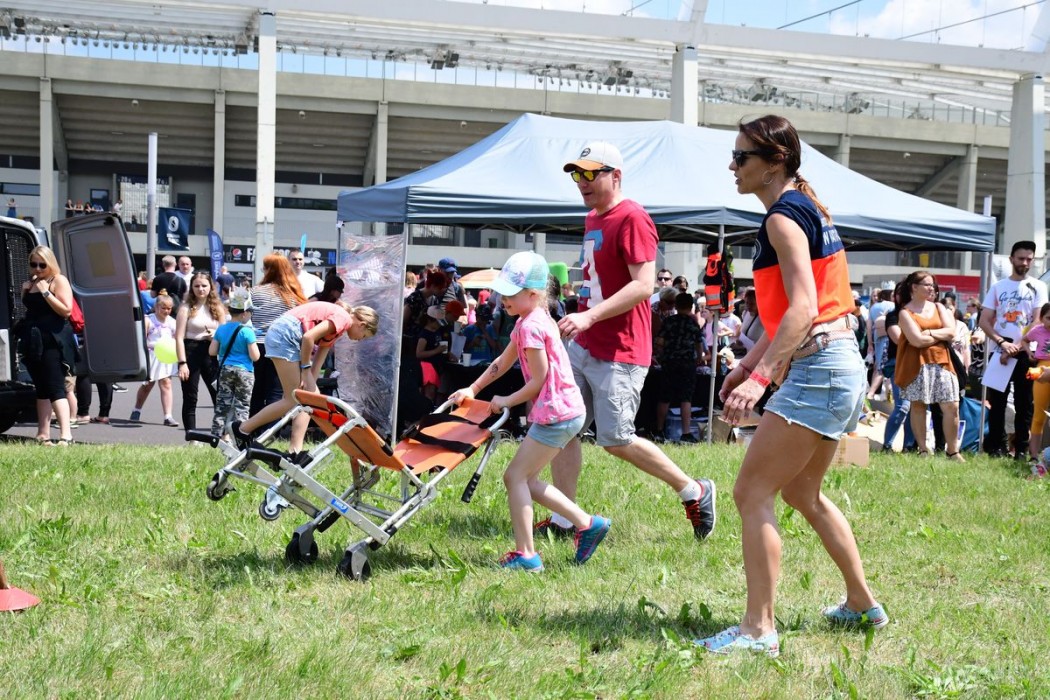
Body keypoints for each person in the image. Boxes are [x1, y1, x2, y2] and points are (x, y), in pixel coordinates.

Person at [697, 115, 885, 657]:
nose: (732, 166)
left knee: (751, 492)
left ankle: (758, 630)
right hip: (838, 363)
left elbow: (804, 309)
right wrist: (750, 363)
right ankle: (861, 604)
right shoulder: (804, 206)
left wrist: (759, 379)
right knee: (803, 493)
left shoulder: (782, 218)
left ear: (774, 162)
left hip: (820, 367)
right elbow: (789, 314)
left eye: (742, 157)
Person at [548, 140, 716, 543]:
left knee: (616, 439)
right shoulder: (592, 217)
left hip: (620, 350)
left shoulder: (633, 217)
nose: (582, 181)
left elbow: (643, 286)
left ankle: (693, 490)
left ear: (616, 176)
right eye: (577, 174)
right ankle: (564, 519)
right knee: (562, 428)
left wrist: (588, 315)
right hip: (584, 344)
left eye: (591, 173)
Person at [450, 252, 609, 571]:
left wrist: (506, 400)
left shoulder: (532, 326)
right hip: (561, 411)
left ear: (534, 294)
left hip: (557, 413)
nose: (503, 299)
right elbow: (503, 361)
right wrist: (474, 389)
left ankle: (527, 555)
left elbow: (539, 380)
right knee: (526, 480)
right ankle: (587, 524)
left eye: (511, 294)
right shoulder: (529, 320)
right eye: (502, 292)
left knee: (515, 477)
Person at [232, 301, 379, 458]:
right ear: (362, 325)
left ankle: (295, 450)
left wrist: (309, 381)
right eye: (364, 336)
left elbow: (319, 357)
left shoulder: (338, 328)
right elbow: (308, 337)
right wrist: (305, 369)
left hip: (283, 335)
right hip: (285, 336)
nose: (359, 340)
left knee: (309, 398)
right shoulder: (344, 318)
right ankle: (242, 429)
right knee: (292, 400)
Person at [979, 240, 1048, 459]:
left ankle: (1021, 448)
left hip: (1028, 351)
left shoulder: (1038, 286)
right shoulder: (997, 287)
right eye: (1021, 258)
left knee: (1024, 402)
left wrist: (1017, 346)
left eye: (1029, 259)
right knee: (997, 402)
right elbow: (984, 320)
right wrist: (1002, 343)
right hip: (1000, 348)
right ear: (1011, 259)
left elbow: (1038, 320)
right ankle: (996, 446)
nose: (1025, 263)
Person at [895, 271, 963, 460]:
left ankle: (952, 451)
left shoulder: (939, 307)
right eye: (927, 284)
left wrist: (929, 333)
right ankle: (923, 449)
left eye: (932, 284)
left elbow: (952, 332)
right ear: (914, 287)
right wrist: (939, 334)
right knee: (918, 406)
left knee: (952, 406)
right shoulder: (904, 313)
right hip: (916, 364)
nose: (931, 288)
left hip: (943, 362)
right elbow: (916, 341)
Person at [18, 246, 78, 445]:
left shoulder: (58, 280)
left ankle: (66, 435)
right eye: (33, 264)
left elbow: (66, 310)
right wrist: (25, 291)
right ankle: (43, 434)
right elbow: (30, 309)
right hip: (33, 340)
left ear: (50, 263)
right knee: (41, 388)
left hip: (53, 340)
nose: (37, 268)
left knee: (55, 387)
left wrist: (46, 293)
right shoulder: (33, 281)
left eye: (42, 265)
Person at [248, 254, 308, 417]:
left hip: (258, 344)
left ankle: (252, 427)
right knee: (276, 392)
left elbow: (246, 318)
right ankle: (271, 428)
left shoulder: (254, 292)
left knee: (256, 391)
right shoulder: (295, 294)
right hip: (284, 347)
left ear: (268, 270)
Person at [175, 272, 224, 431]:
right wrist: (182, 363)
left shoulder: (218, 307)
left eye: (204, 285)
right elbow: (179, 337)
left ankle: (222, 433)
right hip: (190, 351)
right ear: (191, 288)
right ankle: (192, 436)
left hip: (212, 352)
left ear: (211, 287)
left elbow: (224, 333)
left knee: (219, 394)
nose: (200, 289)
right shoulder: (185, 308)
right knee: (190, 397)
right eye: (196, 286)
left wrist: (215, 335)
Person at [209, 289, 260, 439]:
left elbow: (212, 351)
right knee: (242, 405)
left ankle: (216, 436)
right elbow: (255, 356)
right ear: (244, 313)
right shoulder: (247, 331)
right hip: (244, 371)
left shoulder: (221, 329)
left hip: (225, 369)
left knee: (222, 404)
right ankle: (239, 436)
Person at [654, 292, 704, 443]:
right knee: (686, 398)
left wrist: (661, 355)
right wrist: (699, 357)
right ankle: (686, 433)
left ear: (676, 305)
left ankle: (659, 431)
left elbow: (659, 342)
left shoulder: (668, 321)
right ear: (690, 306)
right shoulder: (693, 323)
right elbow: (699, 344)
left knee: (664, 397)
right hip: (687, 364)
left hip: (669, 363)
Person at [130, 291, 178, 426]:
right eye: (164, 308)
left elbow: (176, 339)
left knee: (166, 383)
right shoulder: (148, 320)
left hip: (166, 357)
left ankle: (168, 416)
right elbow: (142, 339)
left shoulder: (173, 322)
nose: (167, 311)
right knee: (147, 385)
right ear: (156, 307)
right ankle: (137, 409)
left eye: (169, 308)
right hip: (151, 356)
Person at [880, 282, 916, 452]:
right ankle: (887, 445)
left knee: (914, 408)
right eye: (900, 293)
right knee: (903, 407)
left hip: (917, 364)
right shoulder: (893, 315)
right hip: (899, 364)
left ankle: (908, 446)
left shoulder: (917, 315)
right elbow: (898, 339)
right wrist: (920, 337)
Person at [1024, 303, 1050, 464]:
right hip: (1041, 370)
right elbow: (1024, 340)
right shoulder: (1037, 330)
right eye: (1048, 318)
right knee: (1038, 415)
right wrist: (1029, 353)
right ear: (1041, 318)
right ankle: (1033, 456)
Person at [866, 288, 895, 399]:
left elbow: (869, 326)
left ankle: (879, 393)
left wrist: (870, 343)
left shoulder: (873, 307)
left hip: (877, 338)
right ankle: (873, 393)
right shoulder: (892, 305)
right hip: (889, 338)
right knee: (885, 367)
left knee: (877, 365)